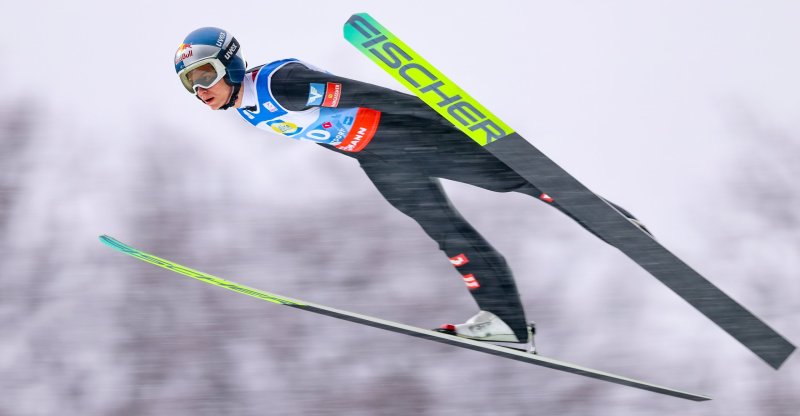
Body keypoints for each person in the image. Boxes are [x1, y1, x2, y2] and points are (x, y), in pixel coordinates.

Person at [174, 27, 649, 351]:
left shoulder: (281, 84)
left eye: (204, 75)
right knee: (444, 229)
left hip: (407, 135)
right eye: (190, 85)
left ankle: (616, 221)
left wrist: (445, 117)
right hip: (377, 157)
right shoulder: (247, 110)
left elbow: (366, 94)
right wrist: (367, 156)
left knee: (515, 178)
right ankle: (504, 321)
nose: (201, 90)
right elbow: (324, 130)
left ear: (230, 64)